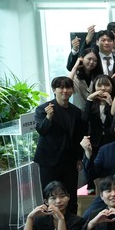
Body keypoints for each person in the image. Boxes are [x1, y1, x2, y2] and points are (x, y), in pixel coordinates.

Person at [34, 76, 86, 214]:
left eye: (68, 87)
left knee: (70, 193)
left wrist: (79, 158)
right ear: (54, 90)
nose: (65, 91)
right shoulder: (43, 109)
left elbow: (78, 137)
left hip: (69, 159)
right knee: (49, 193)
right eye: (61, 87)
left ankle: (72, 222)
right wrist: (49, 117)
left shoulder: (76, 111)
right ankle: (50, 222)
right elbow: (42, 131)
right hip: (49, 160)